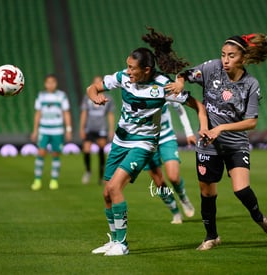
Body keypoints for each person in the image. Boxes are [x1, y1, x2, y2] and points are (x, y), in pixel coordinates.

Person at [87, 28, 208, 256]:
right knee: (106, 193)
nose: (128, 71)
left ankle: (122, 245)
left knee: (115, 188)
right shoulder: (123, 77)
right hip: (120, 141)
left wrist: (202, 126)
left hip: (143, 143)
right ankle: (113, 240)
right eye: (128, 66)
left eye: (133, 68)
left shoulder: (164, 86)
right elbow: (92, 87)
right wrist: (95, 97)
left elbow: (197, 105)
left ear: (146, 70)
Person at [168, 33, 267, 250]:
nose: (225, 60)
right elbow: (184, 74)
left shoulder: (251, 84)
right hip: (208, 143)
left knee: (241, 189)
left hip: (235, 144)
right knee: (207, 193)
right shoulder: (212, 68)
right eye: (223, 55)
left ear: (242, 59)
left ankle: (260, 218)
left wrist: (221, 127)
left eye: (231, 56)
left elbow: (251, 122)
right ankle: (211, 237)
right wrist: (179, 83)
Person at [144, 101, 196, 224]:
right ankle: (175, 212)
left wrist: (189, 132)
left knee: (173, 177)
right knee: (158, 182)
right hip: (146, 142)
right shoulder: (134, 90)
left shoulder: (163, 86)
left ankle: (183, 197)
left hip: (167, 138)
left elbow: (179, 108)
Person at [31, 74, 72, 191]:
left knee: (55, 154)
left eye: (53, 82)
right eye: (48, 82)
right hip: (44, 129)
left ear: (56, 83)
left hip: (57, 129)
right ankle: (37, 180)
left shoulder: (61, 96)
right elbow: (38, 113)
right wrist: (35, 130)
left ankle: (54, 180)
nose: (50, 84)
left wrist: (68, 129)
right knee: (41, 153)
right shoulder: (41, 96)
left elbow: (66, 113)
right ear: (45, 84)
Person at [80, 76, 115, 184]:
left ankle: (101, 176)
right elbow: (84, 113)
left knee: (101, 150)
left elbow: (110, 115)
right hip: (89, 128)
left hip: (101, 128)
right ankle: (88, 171)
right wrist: (81, 128)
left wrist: (111, 129)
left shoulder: (108, 98)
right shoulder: (87, 98)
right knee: (86, 149)